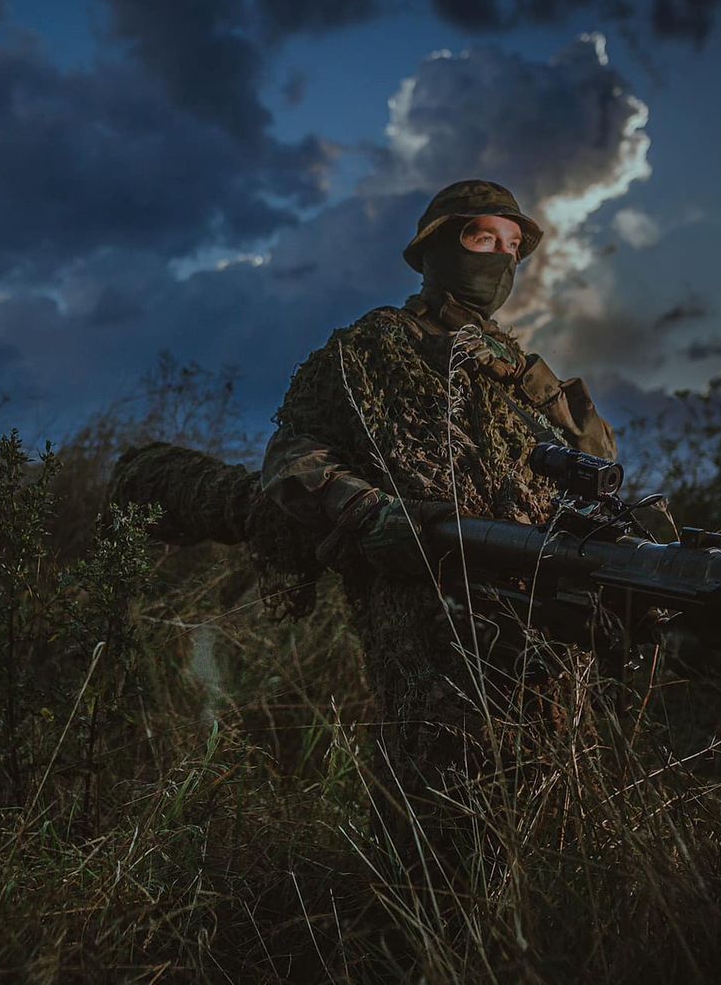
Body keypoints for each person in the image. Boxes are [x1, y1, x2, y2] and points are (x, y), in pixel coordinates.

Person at [258, 179, 620, 864]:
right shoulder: (370, 349)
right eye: (483, 238)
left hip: (535, 603)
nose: (501, 260)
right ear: (432, 250)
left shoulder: (513, 369)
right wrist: (374, 519)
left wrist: (524, 377)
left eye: (514, 248)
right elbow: (294, 461)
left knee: (543, 791)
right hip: (426, 605)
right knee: (435, 795)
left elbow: (597, 454)